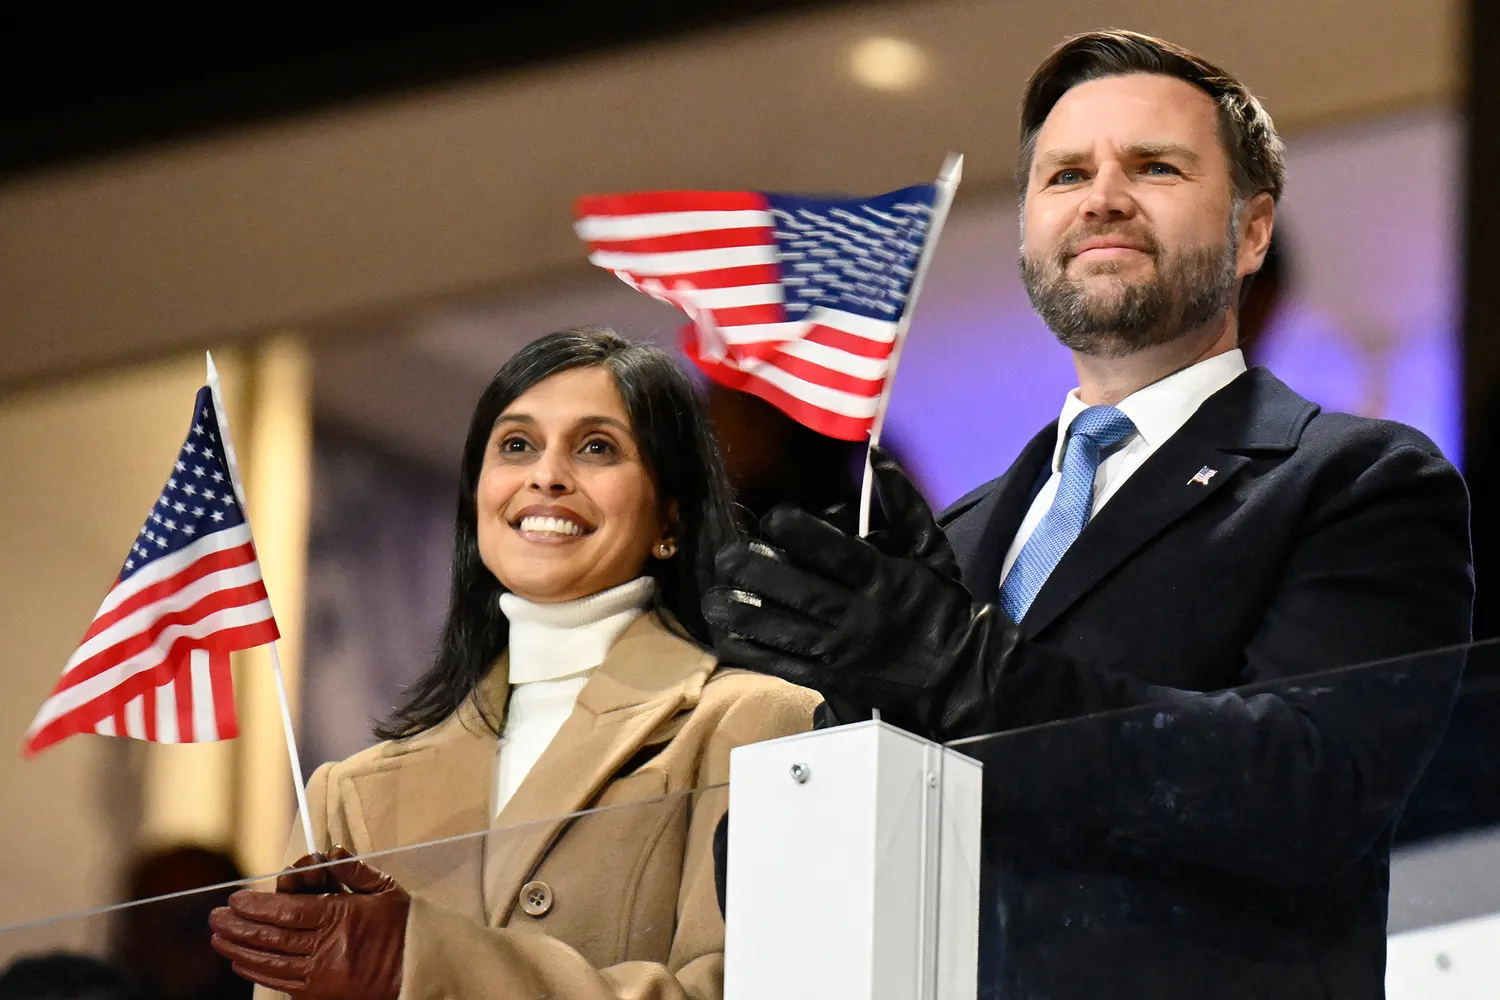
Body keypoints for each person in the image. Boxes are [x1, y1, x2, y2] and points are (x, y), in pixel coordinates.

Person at [702, 30, 1473, 1000]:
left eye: (1154, 166)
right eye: (1066, 174)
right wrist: (856, 709)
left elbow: (1305, 792)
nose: (1103, 195)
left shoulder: (1357, 482)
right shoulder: (958, 537)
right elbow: (766, 876)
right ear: (1029, 232)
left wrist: (963, 668)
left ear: (1252, 230)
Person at [208, 328, 820, 1000]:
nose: (547, 475)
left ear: (670, 517)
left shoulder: (759, 721)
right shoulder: (345, 797)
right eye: (517, 445)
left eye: (597, 447)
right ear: (480, 500)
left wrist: (422, 963)